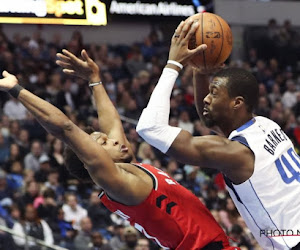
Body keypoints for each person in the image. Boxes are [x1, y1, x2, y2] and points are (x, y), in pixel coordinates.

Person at [0, 48, 237, 250]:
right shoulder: (118, 182)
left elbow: (111, 123)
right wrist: (16, 89)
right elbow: (65, 128)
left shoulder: (127, 168)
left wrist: (95, 79)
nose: (112, 140)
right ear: (90, 159)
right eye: (102, 143)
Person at [136, 20, 300, 250]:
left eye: (214, 93)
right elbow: (211, 120)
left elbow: (149, 128)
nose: (205, 98)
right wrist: (200, 73)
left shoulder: (236, 153)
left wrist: (173, 64)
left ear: (237, 103)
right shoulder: (265, 124)